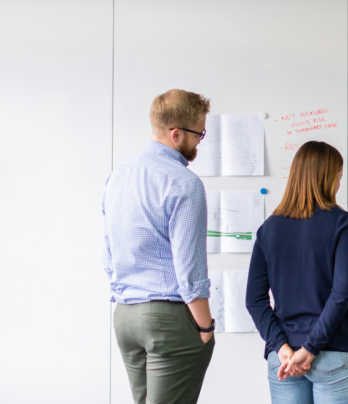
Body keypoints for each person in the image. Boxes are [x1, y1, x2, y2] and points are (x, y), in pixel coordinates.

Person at [102, 89, 215, 404]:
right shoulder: (183, 182)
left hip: (125, 316)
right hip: (168, 317)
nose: (199, 142)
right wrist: (205, 325)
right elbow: (189, 265)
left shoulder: (118, 176)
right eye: (198, 134)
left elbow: (109, 252)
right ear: (176, 134)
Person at [246, 141, 348, 404]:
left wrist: (283, 347)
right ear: (328, 177)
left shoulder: (270, 228)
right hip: (336, 350)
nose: (338, 183)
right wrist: (310, 348)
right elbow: (340, 294)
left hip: (285, 357)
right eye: (338, 175)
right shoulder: (342, 223)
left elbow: (254, 300)